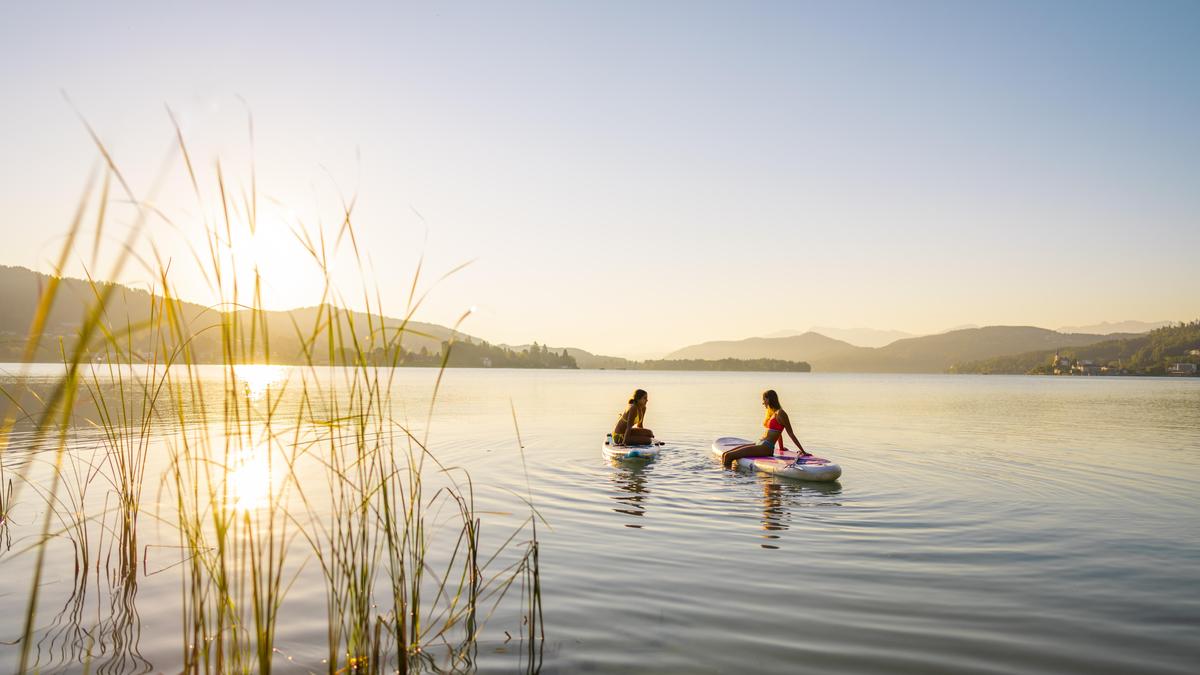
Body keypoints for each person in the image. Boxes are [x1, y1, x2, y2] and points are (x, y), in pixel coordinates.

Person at [720, 389, 809, 468]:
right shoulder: (773, 414)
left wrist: (803, 451)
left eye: (764, 399)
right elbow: (779, 433)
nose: (763, 403)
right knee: (725, 454)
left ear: (769, 399)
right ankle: (728, 475)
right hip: (760, 444)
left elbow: (790, 434)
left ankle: (728, 482)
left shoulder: (781, 413)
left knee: (728, 456)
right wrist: (781, 448)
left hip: (766, 447)